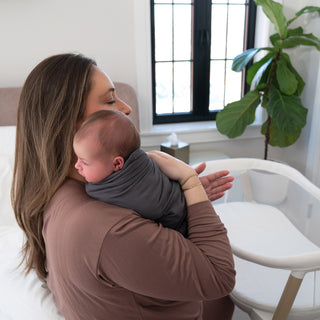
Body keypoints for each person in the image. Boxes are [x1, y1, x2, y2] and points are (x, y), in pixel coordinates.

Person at [12, 53, 235, 320]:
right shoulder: (112, 231)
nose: (126, 108)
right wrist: (189, 184)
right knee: (225, 300)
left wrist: (180, 201)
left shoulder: (61, 192)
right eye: (109, 100)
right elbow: (221, 276)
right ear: (71, 123)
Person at [74, 109, 189, 237]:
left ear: (117, 164)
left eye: (84, 163)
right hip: (182, 199)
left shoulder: (110, 192)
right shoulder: (136, 157)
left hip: (178, 225)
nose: (76, 166)